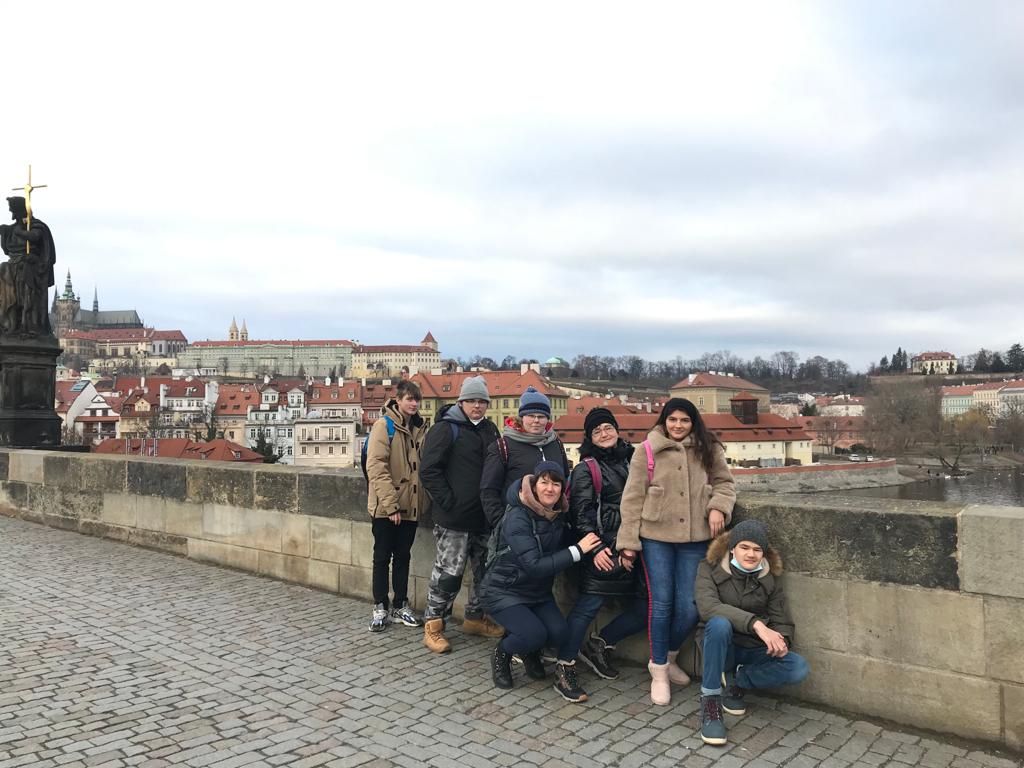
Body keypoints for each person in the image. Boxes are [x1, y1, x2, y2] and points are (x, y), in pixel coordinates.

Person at [616, 397, 736, 706]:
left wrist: (718, 507)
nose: (678, 425)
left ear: (693, 422)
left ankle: (668, 658)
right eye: (673, 419)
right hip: (655, 537)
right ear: (664, 421)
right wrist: (628, 543)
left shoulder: (709, 448)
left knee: (690, 607)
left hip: (695, 538)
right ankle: (658, 671)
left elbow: (725, 484)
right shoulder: (647, 450)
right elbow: (632, 498)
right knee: (661, 604)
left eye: (684, 420)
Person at [479, 461, 602, 697]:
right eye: (544, 482)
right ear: (534, 486)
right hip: (503, 590)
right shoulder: (518, 516)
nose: (549, 489)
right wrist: (578, 550)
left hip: (537, 593)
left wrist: (599, 549)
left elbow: (576, 538)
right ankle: (502, 652)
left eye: (556, 484)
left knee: (559, 633)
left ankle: (529, 651)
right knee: (534, 634)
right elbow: (534, 565)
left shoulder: (558, 515)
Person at [554, 408, 647, 701]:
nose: (604, 434)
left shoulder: (634, 460)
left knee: (648, 607)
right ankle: (564, 665)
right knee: (587, 607)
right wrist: (596, 550)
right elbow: (581, 515)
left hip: (637, 547)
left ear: (617, 430)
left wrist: (632, 545)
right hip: (604, 549)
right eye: (597, 431)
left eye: (608, 427)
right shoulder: (587, 469)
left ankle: (602, 642)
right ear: (589, 437)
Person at [694, 519, 809, 745]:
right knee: (719, 624)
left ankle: (738, 680)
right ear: (732, 548)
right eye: (744, 547)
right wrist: (757, 624)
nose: (750, 554)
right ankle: (711, 701)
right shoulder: (708, 568)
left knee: (798, 667)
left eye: (757, 549)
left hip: (753, 648)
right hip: (720, 645)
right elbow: (708, 607)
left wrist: (782, 641)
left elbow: (781, 620)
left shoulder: (769, 577)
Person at [419, 375, 505, 652]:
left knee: (485, 573)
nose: (477, 406)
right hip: (454, 519)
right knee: (448, 575)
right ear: (461, 402)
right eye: (471, 400)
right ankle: (433, 625)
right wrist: (449, 501)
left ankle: (475, 618)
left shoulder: (490, 430)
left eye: (482, 401)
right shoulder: (445, 429)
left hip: (483, 517)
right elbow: (428, 470)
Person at [365, 380, 429, 632]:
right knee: (382, 557)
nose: (414, 404)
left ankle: (401, 604)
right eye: (409, 399)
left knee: (403, 557)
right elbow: (376, 467)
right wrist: (391, 506)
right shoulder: (384, 425)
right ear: (398, 400)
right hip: (385, 507)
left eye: (417, 399)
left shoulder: (419, 427)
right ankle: (380, 606)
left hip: (411, 505)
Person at [480, 386, 569, 529]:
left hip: (554, 525)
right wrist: (502, 524)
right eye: (531, 415)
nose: (536, 420)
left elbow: (565, 479)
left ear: (548, 419)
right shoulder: (503, 446)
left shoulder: (555, 443)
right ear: (521, 418)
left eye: (541, 416)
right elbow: (488, 491)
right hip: (518, 525)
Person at [0, 196, 56, 335]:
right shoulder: (12, 228)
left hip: (31, 266)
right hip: (12, 265)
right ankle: (10, 322)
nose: (12, 215)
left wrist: (20, 232)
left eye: (13, 211)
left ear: (21, 210)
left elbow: (35, 236)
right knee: (3, 268)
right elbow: (7, 247)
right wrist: (5, 231)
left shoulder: (37, 225)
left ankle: (29, 325)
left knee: (25, 284)